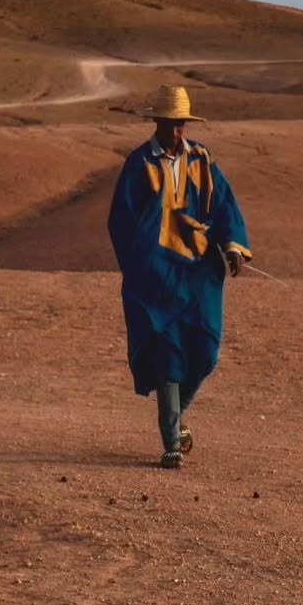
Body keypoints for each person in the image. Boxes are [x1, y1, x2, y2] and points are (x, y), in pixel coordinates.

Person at [107, 85, 251, 468]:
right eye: (169, 124)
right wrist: (141, 262)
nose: (175, 132)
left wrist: (233, 247)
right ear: (157, 122)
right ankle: (171, 441)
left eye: (180, 124)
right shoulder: (139, 164)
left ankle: (179, 415)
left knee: (206, 349)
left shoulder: (201, 159)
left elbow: (224, 206)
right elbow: (121, 221)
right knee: (167, 355)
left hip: (198, 271)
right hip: (154, 274)